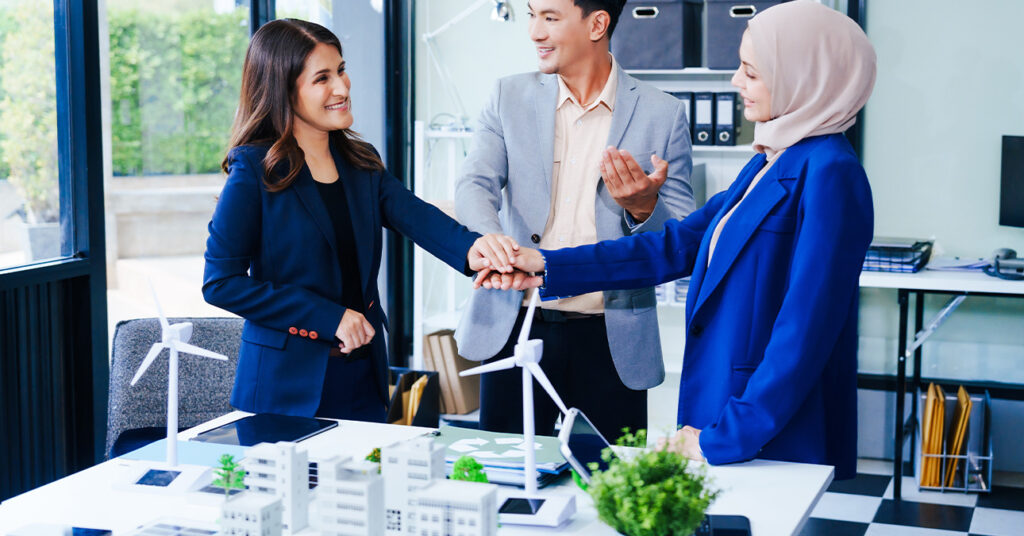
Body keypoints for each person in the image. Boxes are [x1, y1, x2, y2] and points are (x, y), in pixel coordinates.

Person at [489, 0, 876, 479]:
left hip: (760, 424)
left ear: (807, 79)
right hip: (722, 408)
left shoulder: (832, 173)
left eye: (751, 73)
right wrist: (548, 264)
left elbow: (805, 331)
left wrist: (726, 435)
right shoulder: (767, 161)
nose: (736, 81)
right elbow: (673, 247)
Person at [203, 19, 519, 422]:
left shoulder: (361, 163)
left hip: (361, 376)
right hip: (285, 387)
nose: (342, 87)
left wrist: (480, 250)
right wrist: (327, 315)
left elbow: (420, 218)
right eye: (322, 78)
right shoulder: (255, 169)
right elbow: (221, 282)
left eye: (341, 70)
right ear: (283, 90)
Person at [453, 0, 695, 441]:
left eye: (550, 17)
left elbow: (682, 237)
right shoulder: (508, 96)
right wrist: (492, 240)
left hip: (610, 336)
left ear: (597, 24)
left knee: (607, 489)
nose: (534, 32)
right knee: (510, 484)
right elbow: (474, 184)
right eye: (531, 15)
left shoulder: (663, 113)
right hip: (516, 324)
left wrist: (643, 207)